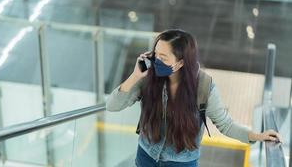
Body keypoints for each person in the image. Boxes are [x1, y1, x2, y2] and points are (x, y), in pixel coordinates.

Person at [106, 29, 281, 167]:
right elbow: (111, 106)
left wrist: (257, 136)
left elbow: (226, 125)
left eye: (163, 57)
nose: (155, 60)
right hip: (145, 157)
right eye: (155, 54)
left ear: (180, 63)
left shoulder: (204, 86)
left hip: (181, 163)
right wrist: (135, 75)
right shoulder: (147, 78)